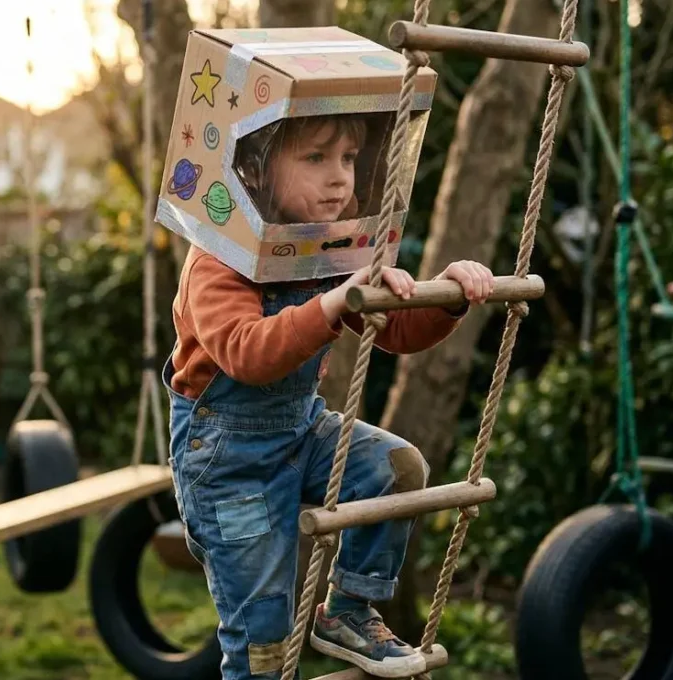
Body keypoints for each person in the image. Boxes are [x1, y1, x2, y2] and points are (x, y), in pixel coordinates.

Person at [164, 113, 496, 679]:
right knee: (264, 640)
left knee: (396, 468)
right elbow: (247, 351)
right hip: (225, 461)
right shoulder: (219, 258)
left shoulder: (337, 248)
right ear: (259, 166)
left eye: (348, 158)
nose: (340, 178)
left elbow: (394, 332)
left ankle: (348, 610)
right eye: (316, 158)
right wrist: (333, 303)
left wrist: (446, 295)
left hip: (301, 428)